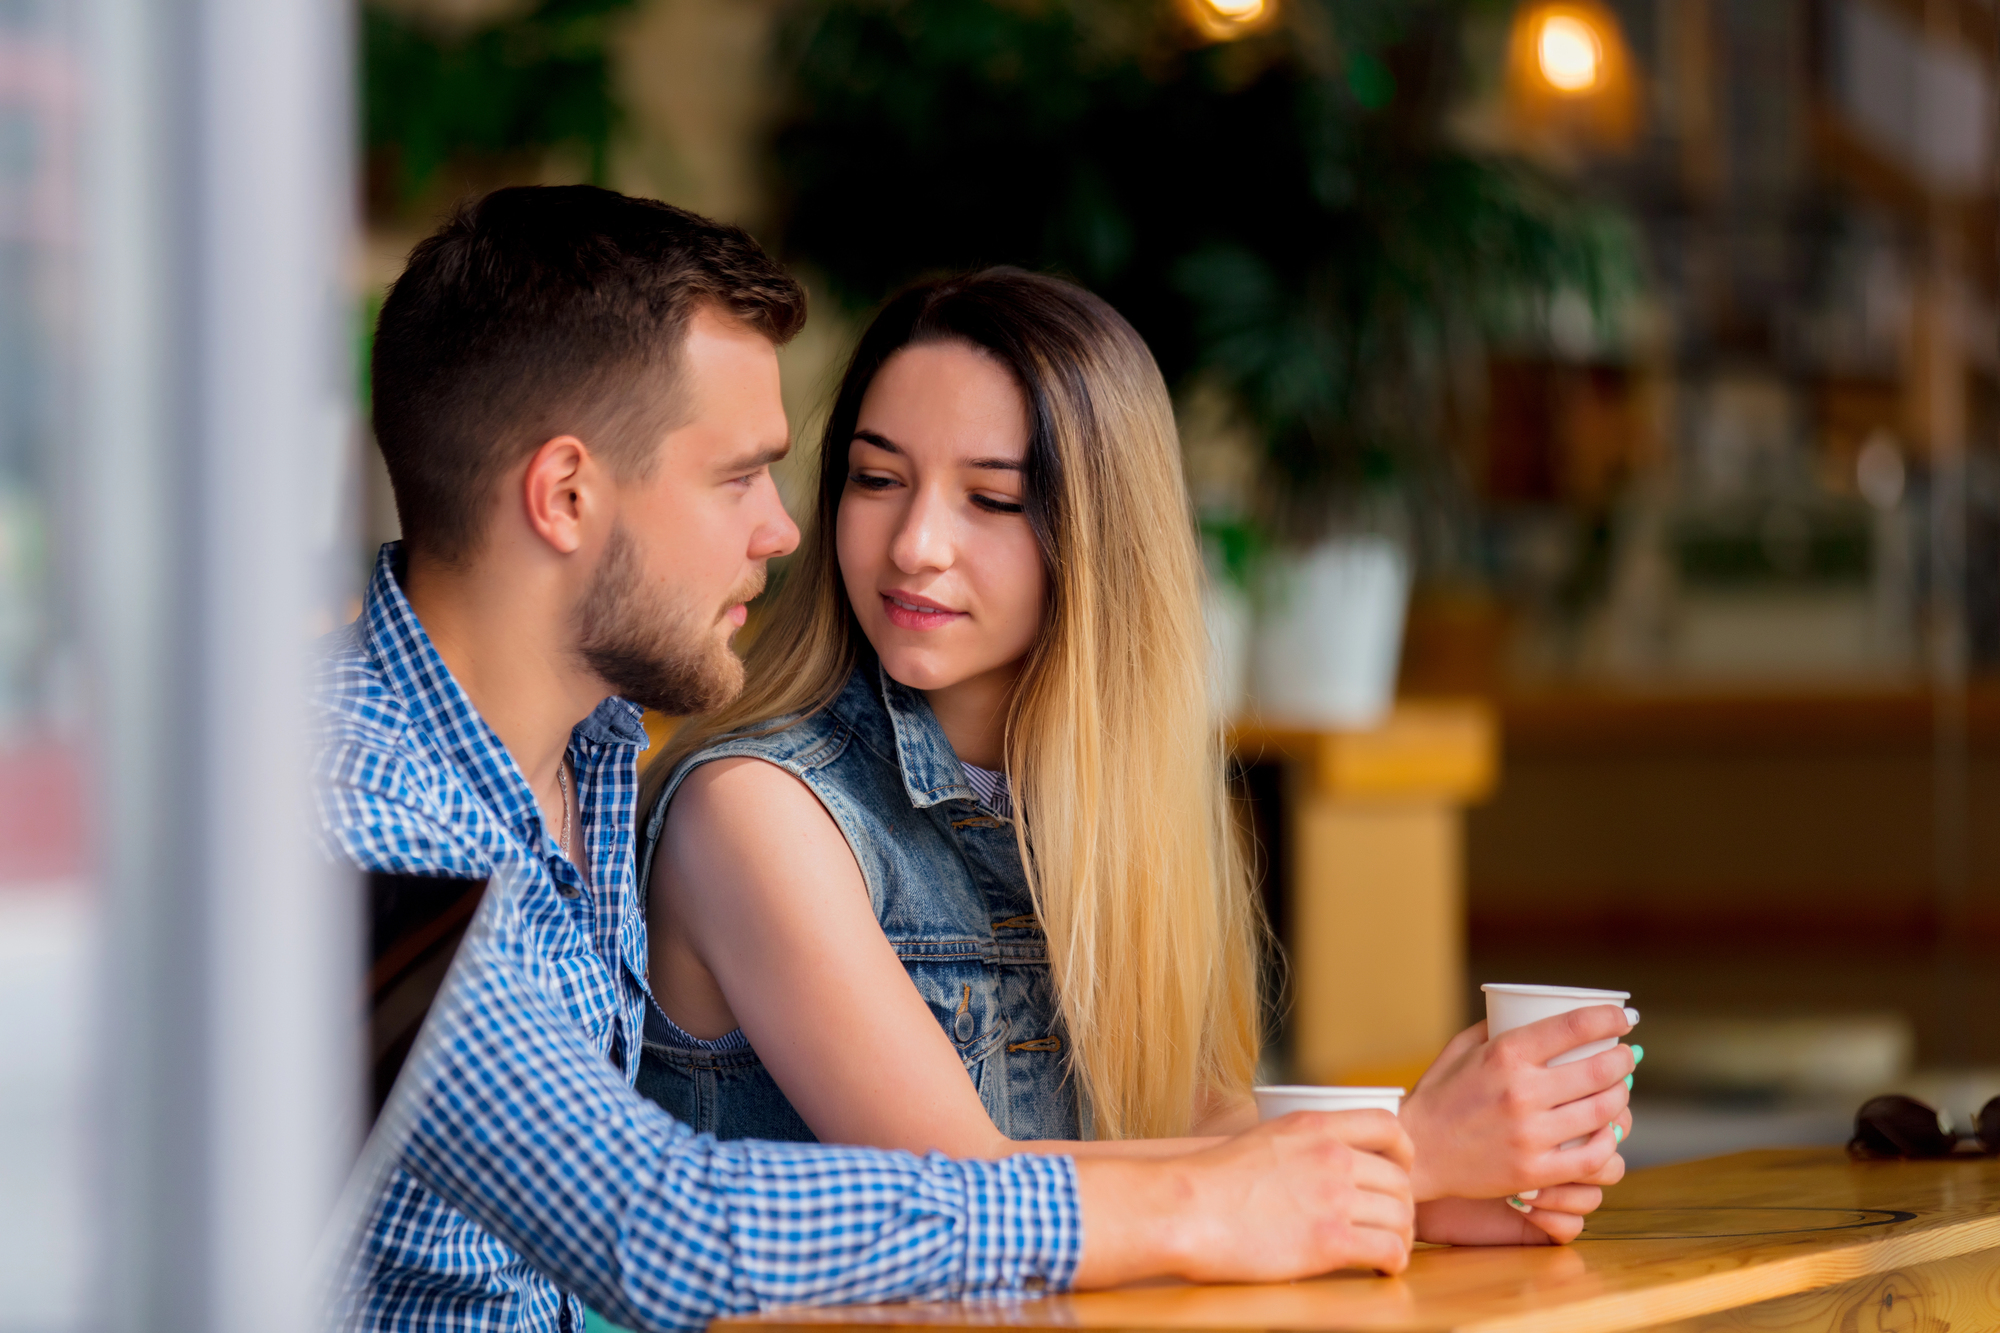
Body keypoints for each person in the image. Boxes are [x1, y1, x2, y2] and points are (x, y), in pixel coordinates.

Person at [312, 185, 1417, 1333]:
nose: (784, 530)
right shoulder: (359, 803)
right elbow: (661, 1228)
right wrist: (1199, 1203)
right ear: (568, 495)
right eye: (737, 476)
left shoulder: (584, 757)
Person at [634, 269, 1638, 1245]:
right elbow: (960, 1196)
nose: (915, 543)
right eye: (876, 479)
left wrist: (1413, 1196)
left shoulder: (1115, 802)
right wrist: (1407, 1148)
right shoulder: (754, 808)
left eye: (990, 498)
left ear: (1097, 535)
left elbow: (1188, 1139)